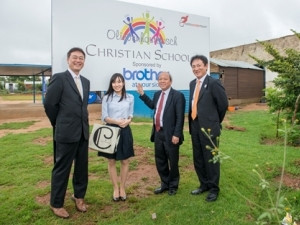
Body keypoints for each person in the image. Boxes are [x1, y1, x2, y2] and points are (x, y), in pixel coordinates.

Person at [44, 47, 90, 218]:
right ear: (68, 60)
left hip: (83, 132)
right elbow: (49, 104)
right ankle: (56, 203)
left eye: (81, 58)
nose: (78, 60)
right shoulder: (59, 78)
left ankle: (79, 197)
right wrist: (58, 123)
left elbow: (82, 106)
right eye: (75, 58)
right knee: (62, 168)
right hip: (66, 132)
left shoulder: (86, 81)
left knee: (81, 168)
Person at [137, 71, 186, 196]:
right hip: (158, 132)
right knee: (160, 160)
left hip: (171, 134)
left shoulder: (178, 96)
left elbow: (180, 117)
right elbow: (153, 106)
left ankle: (173, 185)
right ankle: (165, 183)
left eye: (165, 79)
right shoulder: (157, 94)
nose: (162, 81)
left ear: (170, 81)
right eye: (160, 79)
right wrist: (142, 94)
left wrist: (177, 134)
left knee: (173, 161)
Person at [188, 55, 228, 202]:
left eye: (199, 65)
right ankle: (203, 184)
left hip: (210, 128)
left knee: (211, 158)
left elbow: (222, 105)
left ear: (206, 66)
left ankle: (213, 188)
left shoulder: (214, 83)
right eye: (193, 66)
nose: (196, 68)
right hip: (195, 125)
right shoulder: (192, 84)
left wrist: (215, 121)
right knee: (198, 157)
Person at [98, 73, 134, 202]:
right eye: (114, 82)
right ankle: (115, 188)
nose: (117, 84)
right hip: (110, 130)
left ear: (123, 83)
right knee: (111, 161)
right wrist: (117, 122)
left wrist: (128, 121)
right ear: (111, 84)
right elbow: (104, 117)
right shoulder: (107, 97)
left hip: (125, 131)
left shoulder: (130, 97)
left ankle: (122, 188)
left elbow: (130, 114)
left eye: (119, 82)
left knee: (125, 161)